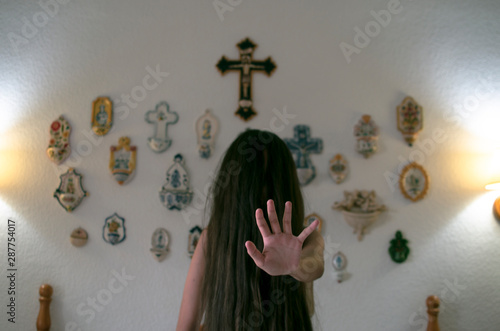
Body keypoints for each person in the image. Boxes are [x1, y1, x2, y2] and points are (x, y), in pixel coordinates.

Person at [177, 129, 325, 331]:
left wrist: (293, 265)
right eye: (255, 180)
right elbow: (187, 325)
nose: (261, 189)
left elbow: (315, 267)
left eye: (268, 180)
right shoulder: (211, 238)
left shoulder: (303, 237)